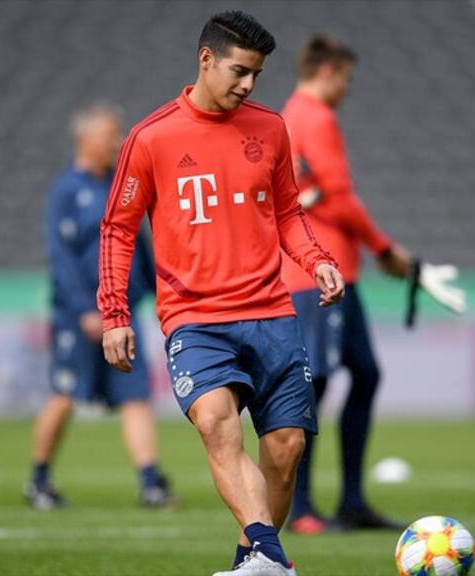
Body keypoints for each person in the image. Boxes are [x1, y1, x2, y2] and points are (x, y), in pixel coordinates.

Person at [98, 11, 345, 576]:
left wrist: (319, 261)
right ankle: (271, 553)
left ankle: (252, 560)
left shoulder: (271, 128)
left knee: (285, 451)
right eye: (239, 71)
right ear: (206, 59)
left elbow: (288, 212)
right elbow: (116, 228)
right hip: (197, 318)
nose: (248, 85)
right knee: (215, 419)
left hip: (272, 313)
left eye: (256, 74)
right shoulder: (150, 137)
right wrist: (115, 311)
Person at [280, 35, 466, 535]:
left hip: (334, 272)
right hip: (321, 273)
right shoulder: (314, 117)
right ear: (329, 72)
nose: (347, 90)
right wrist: (385, 248)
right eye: (346, 79)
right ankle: (300, 508)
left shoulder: (292, 116)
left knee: (364, 373)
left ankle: (352, 502)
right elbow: (339, 200)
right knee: (313, 382)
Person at [25, 103, 174, 511]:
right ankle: (38, 479)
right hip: (80, 319)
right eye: (111, 134)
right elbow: (61, 257)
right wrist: (83, 310)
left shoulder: (118, 184)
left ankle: (151, 482)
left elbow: (137, 243)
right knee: (65, 394)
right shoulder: (65, 191)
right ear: (86, 139)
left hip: (119, 314)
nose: (118, 141)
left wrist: (144, 291)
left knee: (135, 395)